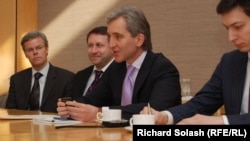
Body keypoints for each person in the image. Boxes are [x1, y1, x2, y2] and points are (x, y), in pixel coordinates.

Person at [57, 6, 181, 121]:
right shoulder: (116, 68)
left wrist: (99, 113)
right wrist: (70, 106)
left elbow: (153, 109)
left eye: (118, 37)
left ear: (139, 39)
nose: (111, 44)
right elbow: (92, 99)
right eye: (110, 37)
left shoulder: (163, 68)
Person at [140, 0, 250, 125]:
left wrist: (222, 121)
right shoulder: (230, 62)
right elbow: (202, 103)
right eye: (227, 28)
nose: (230, 37)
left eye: (238, 27)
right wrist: (165, 116)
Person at [6, 31, 75, 113]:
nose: (35, 52)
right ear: (25, 54)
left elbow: (68, 112)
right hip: (23, 124)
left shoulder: (66, 78)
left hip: (52, 125)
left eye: (39, 48)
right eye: (30, 50)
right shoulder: (16, 79)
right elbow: (10, 111)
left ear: (46, 49)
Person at [71, 26, 114, 99]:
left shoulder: (121, 74)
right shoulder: (80, 76)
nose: (93, 51)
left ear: (112, 47)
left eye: (99, 45)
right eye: (90, 46)